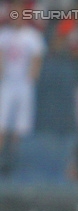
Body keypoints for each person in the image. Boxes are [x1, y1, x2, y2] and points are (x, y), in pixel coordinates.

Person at [0, 2, 46, 175]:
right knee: (2, 121)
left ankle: (13, 159)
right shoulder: (3, 35)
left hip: (24, 84)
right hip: (7, 82)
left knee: (19, 123)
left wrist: (30, 78)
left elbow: (37, 59)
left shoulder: (32, 36)